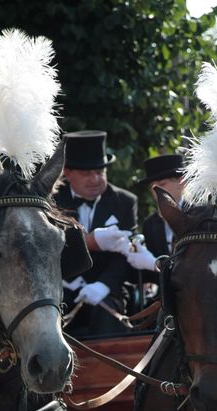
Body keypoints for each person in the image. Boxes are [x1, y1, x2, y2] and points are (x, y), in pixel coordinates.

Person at [54, 130, 138, 337]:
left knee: (106, 316)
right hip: (61, 287)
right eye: (86, 173)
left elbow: (128, 254)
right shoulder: (52, 202)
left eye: (100, 172)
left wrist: (103, 285)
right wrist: (86, 244)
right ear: (67, 172)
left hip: (108, 290)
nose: (95, 179)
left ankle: (110, 370)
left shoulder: (125, 201)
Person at [125, 154, 186, 279]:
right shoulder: (151, 224)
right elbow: (150, 277)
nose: (156, 191)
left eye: (162, 184)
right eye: (152, 187)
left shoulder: (200, 216)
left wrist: (154, 263)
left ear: (182, 181)